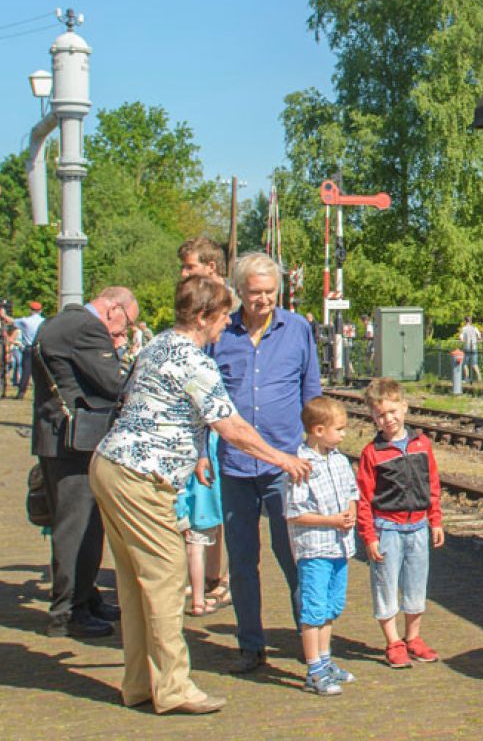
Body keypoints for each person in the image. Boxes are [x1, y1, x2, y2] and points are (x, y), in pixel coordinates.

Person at [90, 275, 312, 715]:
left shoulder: (155, 345)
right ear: (203, 316)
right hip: (142, 476)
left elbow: (144, 402)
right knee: (166, 582)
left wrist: (190, 452)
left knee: (135, 584)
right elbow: (231, 428)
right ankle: (173, 688)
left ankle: (139, 683)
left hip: (110, 465)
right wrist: (282, 459)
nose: (227, 321)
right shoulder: (196, 362)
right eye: (222, 313)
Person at [212, 252, 322, 673]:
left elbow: (311, 391)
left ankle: (307, 637)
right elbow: (209, 400)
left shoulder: (297, 330)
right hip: (235, 465)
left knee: (295, 555)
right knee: (242, 561)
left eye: (270, 292)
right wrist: (205, 457)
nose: (263, 300)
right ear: (238, 291)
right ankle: (250, 644)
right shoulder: (223, 333)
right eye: (255, 293)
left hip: (286, 465)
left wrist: (314, 450)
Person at [30, 286, 139, 638]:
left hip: (55, 436)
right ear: (114, 309)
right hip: (76, 443)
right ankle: (68, 611)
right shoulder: (88, 329)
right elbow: (113, 384)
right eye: (125, 326)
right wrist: (126, 357)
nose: (121, 335)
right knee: (78, 527)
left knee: (81, 525)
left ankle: (85, 596)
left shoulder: (58, 322)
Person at [356, 377, 444, 669]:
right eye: (381, 415)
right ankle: (393, 641)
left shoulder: (422, 444)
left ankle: (413, 638)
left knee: (416, 586)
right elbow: (364, 499)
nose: (388, 419)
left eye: (393, 411)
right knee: (385, 585)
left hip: (418, 525)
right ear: (373, 417)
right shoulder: (373, 453)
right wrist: (369, 536)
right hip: (387, 529)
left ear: (404, 407)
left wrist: (436, 521)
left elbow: (432, 484)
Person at [286, 396, 360, 696]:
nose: (343, 435)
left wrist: (352, 509)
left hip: (340, 548)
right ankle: (313, 669)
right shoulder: (301, 466)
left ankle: (326, 660)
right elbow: (294, 513)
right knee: (313, 609)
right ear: (318, 430)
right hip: (315, 549)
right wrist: (331, 520)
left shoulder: (340, 460)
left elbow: (352, 492)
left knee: (331, 607)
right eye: (339, 429)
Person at [177, 237, 232, 618]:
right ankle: (204, 575)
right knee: (200, 503)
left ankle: (217, 577)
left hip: (217, 421)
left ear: (210, 268)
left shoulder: (223, 310)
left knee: (214, 502)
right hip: (201, 419)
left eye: (190, 267)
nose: (183, 273)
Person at [12, 301, 45, 399]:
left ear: (31, 310)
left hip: (29, 348)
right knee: (41, 371)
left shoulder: (25, 321)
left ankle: (21, 392)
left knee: (26, 371)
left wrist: (3, 315)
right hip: (40, 348)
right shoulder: (44, 321)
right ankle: (40, 393)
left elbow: (12, 321)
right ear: (40, 310)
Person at [459, 317, 483, 383]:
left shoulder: (463, 328)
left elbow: (461, 339)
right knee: (474, 364)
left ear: (465, 321)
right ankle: (479, 379)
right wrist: (477, 340)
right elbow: (479, 337)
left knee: (465, 364)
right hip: (474, 348)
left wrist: (463, 340)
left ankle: (466, 378)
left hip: (467, 348)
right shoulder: (474, 328)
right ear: (471, 321)